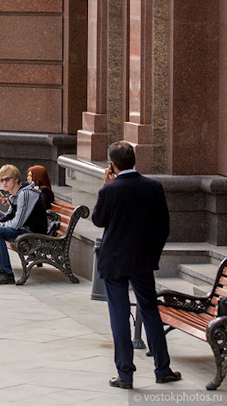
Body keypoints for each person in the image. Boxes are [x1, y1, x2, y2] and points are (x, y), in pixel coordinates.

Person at [92, 140, 181, 389]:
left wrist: (105, 186)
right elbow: (163, 226)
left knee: (119, 315)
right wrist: (151, 254)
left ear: (112, 165)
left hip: (114, 261)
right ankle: (162, 369)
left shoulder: (109, 190)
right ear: (134, 161)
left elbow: (98, 220)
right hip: (142, 261)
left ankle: (125, 374)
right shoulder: (153, 186)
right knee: (150, 311)